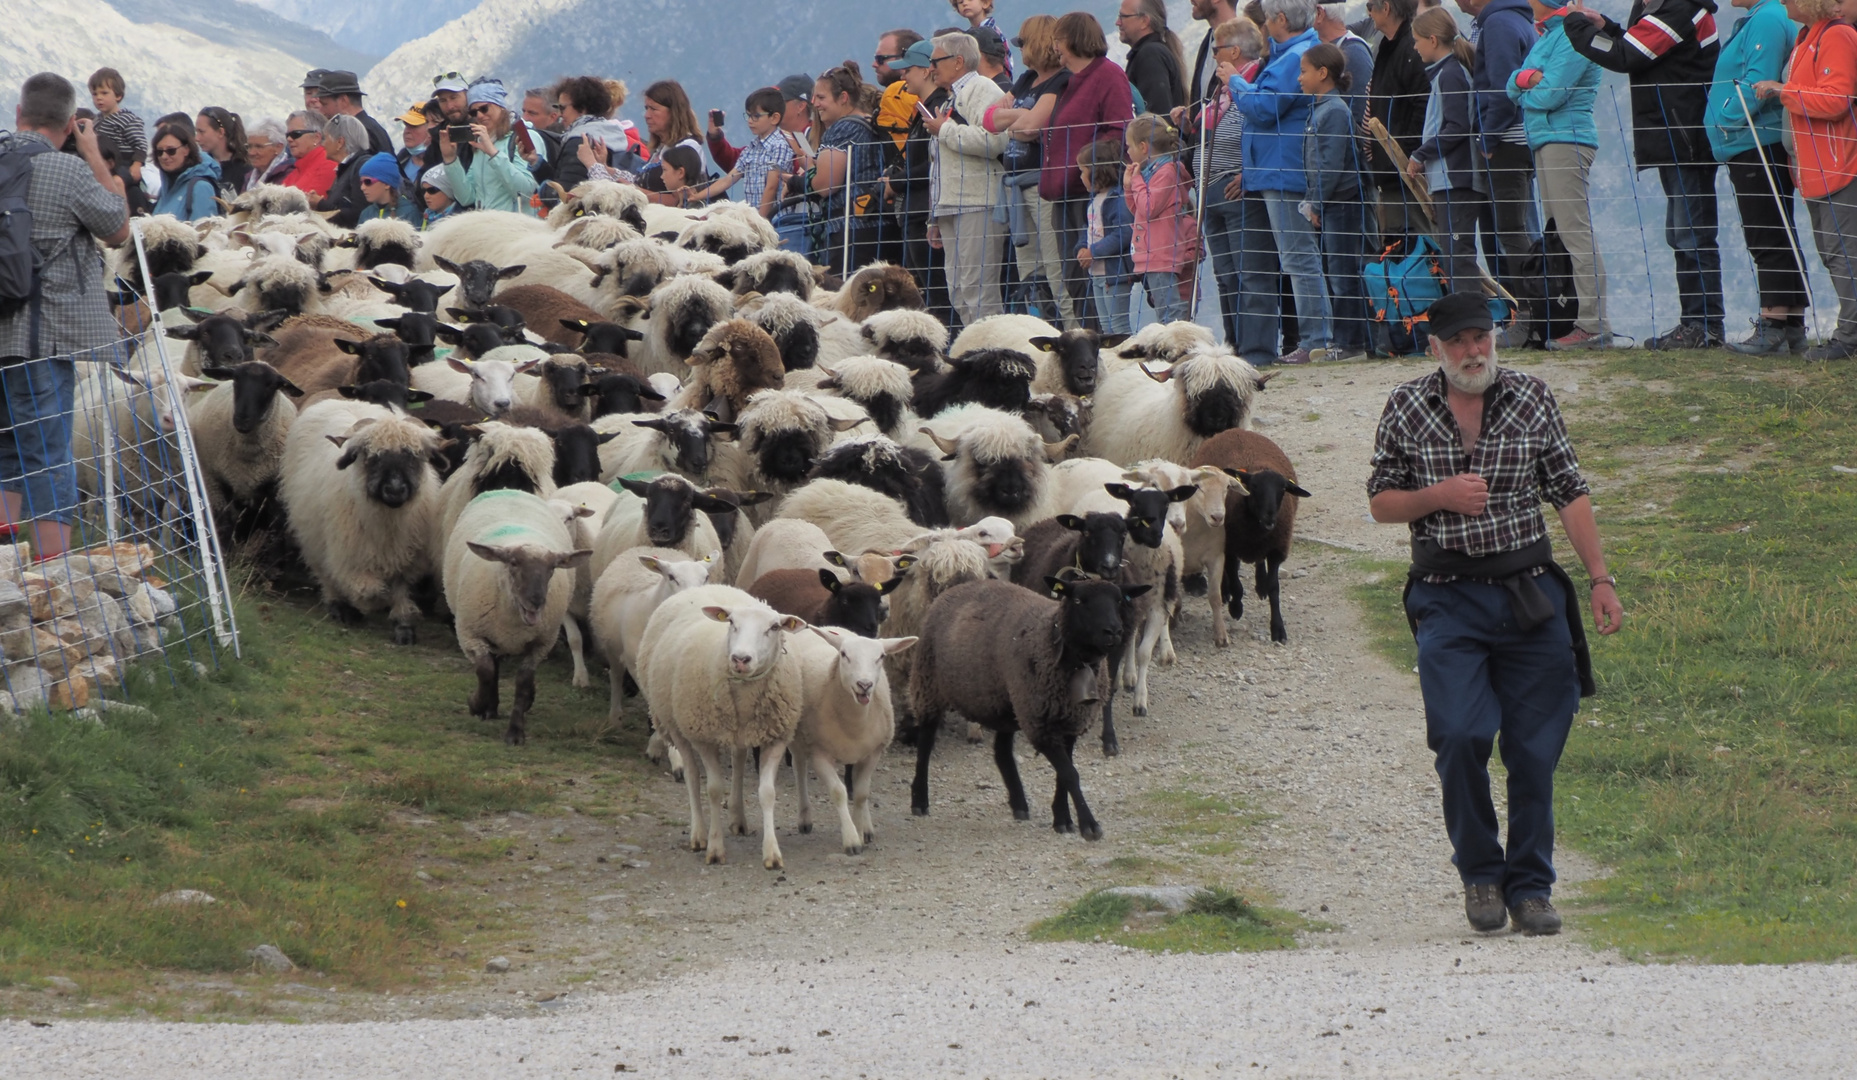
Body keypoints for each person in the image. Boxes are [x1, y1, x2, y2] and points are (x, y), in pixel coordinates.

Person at [1368, 290, 1623, 938]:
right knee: (1458, 735)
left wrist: (1599, 579)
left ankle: (1530, 887)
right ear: (1434, 348)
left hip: (1529, 594)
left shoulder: (1533, 396)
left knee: (1534, 751)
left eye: (1479, 337)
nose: (1471, 350)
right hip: (1445, 596)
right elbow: (1380, 501)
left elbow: (1568, 490)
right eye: (1456, 341)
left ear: (1493, 338)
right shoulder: (1405, 406)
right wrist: (1438, 496)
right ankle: (1479, 874)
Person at [0, 72, 130, 560]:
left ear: (18, 113)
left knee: (6, 445)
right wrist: (93, 153)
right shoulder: (67, 171)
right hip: (44, 334)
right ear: (70, 122)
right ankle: (53, 569)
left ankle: (5, 558)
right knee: (49, 451)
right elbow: (117, 229)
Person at [1562, 0, 1725, 350]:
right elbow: (1639, 47)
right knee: (1682, 234)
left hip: (1686, 141)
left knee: (1691, 235)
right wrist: (1605, 25)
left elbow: (1626, 56)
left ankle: (1705, 325)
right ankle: (1696, 323)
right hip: (1677, 138)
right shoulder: (1663, 9)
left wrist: (1578, 26)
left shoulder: (1680, 9)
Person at [1756, 0, 1857, 359]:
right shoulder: (1807, 37)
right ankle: (1848, 333)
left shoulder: (1837, 36)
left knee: (1845, 253)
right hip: (1817, 168)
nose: (1783, 0)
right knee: (1833, 253)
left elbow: (1836, 100)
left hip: (1839, 164)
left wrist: (1783, 92)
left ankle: (1849, 337)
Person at [1509, 0, 1613, 350]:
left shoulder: (1572, 34)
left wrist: (1529, 87)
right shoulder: (1549, 35)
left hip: (1567, 139)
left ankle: (1594, 323)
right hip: (1547, 140)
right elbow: (1513, 83)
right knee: (1558, 235)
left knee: (1574, 232)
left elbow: (1552, 94)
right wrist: (1527, 81)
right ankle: (1571, 318)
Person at [1229, 0, 1328, 364]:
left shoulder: (1292, 58)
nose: (1265, 27)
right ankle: (1316, 338)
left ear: (1281, 19)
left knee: (1298, 258)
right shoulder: (1293, 54)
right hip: (1274, 168)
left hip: (1284, 169)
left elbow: (1264, 108)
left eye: (1267, 20)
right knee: (1297, 258)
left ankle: (1316, 339)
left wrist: (1235, 81)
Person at [1710, 0, 1809, 354]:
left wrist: (1724, 118)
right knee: (1778, 228)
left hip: (1753, 139)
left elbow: (1757, 78)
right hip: (1753, 139)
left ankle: (1772, 324)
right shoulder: (1762, 16)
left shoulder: (1766, 17)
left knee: (1765, 231)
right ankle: (1792, 324)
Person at [1034, 12, 1135, 329]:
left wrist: (1086, 163)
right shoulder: (1068, 82)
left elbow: (1119, 132)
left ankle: (1102, 342)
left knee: (1092, 278)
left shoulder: (1108, 75)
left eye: (1059, 39)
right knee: (1073, 278)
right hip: (1063, 194)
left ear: (1073, 40)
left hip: (1089, 194)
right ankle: (1091, 342)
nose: (1055, 47)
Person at [987, 15, 1076, 326]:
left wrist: (1015, 121)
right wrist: (1021, 118)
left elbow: (1030, 127)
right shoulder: (1026, 79)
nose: (1019, 49)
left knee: (1055, 267)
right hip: (1016, 188)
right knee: (1030, 272)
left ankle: (1072, 330)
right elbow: (989, 118)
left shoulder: (1061, 80)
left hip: (1042, 186)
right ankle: (1040, 330)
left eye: (1023, 43)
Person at [926, 31, 1011, 326]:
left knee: (980, 292)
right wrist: (933, 216)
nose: (930, 68)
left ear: (958, 61)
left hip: (978, 203)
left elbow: (996, 141)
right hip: (951, 205)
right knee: (959, 291)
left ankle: (994, 355)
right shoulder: (953, 97)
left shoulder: (983, 90)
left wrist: (944, 130)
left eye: (935, 60)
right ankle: (979, 354)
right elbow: (940, 166)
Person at [1407, 8, 1488, 294]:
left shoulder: (1451, 75)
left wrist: (1420, 154)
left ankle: (1471, 322)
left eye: (1417, 40)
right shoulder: (1446, 73)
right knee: (1455, 253)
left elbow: (1456, 127)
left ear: (1432, 39)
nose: (1415, 47)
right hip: (1450, 178)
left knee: (1458, 254)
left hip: (1456, 179)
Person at [1460, 0, 1541, 288]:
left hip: (1506, 140)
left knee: (1511, 232)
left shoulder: (1498, 25)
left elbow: (1503, 87)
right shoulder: (1516, 20)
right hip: (1519, 136)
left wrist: (1488, 137)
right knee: (1515, 228)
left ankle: (1533, 309)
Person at [1198, 17, 1266, 350]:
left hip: (1237, 189)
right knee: (1226, 276)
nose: (1213, 55)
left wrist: (1250, 173)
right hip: (1211, 190)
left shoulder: (1255, 81)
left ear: (1234, 50)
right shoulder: (1223, 86)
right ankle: (1235, 345)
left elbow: (1264, 127)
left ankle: (1257, 350)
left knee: (1250, 273)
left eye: (1217, 48)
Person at [1300, 44, 1367, 360]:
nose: (1300, 78)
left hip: (1342, 203)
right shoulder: (1322, 109)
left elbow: (1331, 164)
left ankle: (1350, 343)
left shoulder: (1335, 111)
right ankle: (1346, 341)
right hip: (1331, 203)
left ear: (1322, 73)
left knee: (1343, 274)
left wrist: (1317, 203)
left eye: (1304, 71)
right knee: (1335, 271)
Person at [886, 41, 952, 319]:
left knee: (935, 291)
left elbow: (934, 161)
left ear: (926, 70)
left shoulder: (937, 109)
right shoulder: (924, 108)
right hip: (916, 212)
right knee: (926, 291)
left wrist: (897, 182)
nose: (903, 76)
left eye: (908, 69)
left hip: (924, 210)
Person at [1365, 0, 1430, 253]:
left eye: (1370, 5)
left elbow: (1422, 104)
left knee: (1420, 250)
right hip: (1389, 172)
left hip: (1408, 173)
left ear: (1386, 7)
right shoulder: (1387, 46)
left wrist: (1411, 155)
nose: (1368, 12)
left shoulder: (1411, 48)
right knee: (1396, 252)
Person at [1124, 115, 1198, 325]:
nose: (1127, 152)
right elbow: (1137, 209)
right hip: (1151, 253)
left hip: (1160, 253)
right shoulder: (1152, 173)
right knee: (1164, 309)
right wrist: (1129, 187)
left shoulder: (1165, 173)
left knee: (1170, 312)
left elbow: (1148, 208)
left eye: (1129, 146)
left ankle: (1177, 350)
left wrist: (1137, 181)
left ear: (1143, 147)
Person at [444, 79, 547, 215]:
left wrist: (493, 154)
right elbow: (466, 197)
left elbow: (525, 192)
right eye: (474, 112)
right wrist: (450, 159)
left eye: (484, 108)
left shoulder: (524, 136)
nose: (480, 115)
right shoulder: (482, 143)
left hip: (519, 229)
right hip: (489, 228)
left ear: (500, 106)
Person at [699, 87, 792, 217]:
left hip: (776, 220)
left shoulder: (780, 146)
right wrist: (695, 196)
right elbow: (727, 180)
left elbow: (771, 187)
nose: (750, 121)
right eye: (749, 116)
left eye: (756, 116)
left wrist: (761, 222)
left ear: (774, 118)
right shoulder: (751, 149)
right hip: (754, 219)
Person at [1078, 138, 1136, 333]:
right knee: (1106, 328)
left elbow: (1124, 233)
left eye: (1082, 171)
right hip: (1096, 275)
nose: (1080, 177)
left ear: (1096, 172)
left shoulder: (1117, 199)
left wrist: (1093, 252)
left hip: (1115, 275)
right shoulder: (1093, 200)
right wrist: (1081, 249)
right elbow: (1086, 228)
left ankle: (1128, 363)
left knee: (1119, 327)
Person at [87, 68, 148, 216]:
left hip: (124, 163)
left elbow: (140, 144)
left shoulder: (127, 119)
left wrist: (136, 165)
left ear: (118, 95)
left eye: (104, 93)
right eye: (95, 94)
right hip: (105, 163)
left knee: (116, 181)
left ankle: (121, 214)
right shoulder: (96, 121)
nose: (99, 98)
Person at [545, 75, 617, 191]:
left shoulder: (579, 141)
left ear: (582, 109)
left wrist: (543, 190)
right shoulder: (612, 133)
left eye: (562, 108)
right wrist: (537, 163)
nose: (559, 114)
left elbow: (568, 192)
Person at [1119, 0, 1188, 117]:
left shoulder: (1150, 55)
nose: (1118, 22)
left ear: (1144, 21)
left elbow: (1157, 114)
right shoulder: (1152, 52)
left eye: (1123, 16)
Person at [148, 123, 221, 221]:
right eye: (160, 152)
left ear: (186, 150)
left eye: (171, 150)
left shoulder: (201, 187)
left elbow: (204, 233)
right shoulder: (166, 187)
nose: (164, 157)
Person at [315, 71, 395, 158]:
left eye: (325, 104)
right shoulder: (369, 128)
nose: (321, 111)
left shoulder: (361, 132)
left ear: (343, 101)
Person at [315, 114, 370, 227]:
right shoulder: (347, 168)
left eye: (326, 138)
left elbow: (359, 214)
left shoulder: (361, 167)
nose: (323, 144)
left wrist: (320, 204)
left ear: (340, 142)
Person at [421, 71, 473, 175]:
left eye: (454, 97)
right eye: (443, 100)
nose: (449, 106)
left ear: (468, 95)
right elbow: (424, 180)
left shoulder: (486, 130)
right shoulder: (438, 139)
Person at [279, 111, 335, 199]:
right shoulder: (297, 169)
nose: (289, 139)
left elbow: (310, 206)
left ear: (316, 138)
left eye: (295, 134)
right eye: (287, 135)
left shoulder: (328, 165)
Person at [952, 0, 1014, 78]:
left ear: (985, 3)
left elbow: (1006, 62)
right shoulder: (967, 36)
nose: (965, 3)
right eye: (961, 2)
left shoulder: (994, 33)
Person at [195, 107, 250, 194]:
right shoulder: (198, 166)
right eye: (196, 132)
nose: (197, 138)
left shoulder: (245, 171)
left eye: (201, 132)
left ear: (220, 132)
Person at [244, 118, 291, 190]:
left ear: (278, 147)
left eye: (259, 147)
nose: (251, 153)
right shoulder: (250, 177)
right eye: (249, 146)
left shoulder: (288, 174)